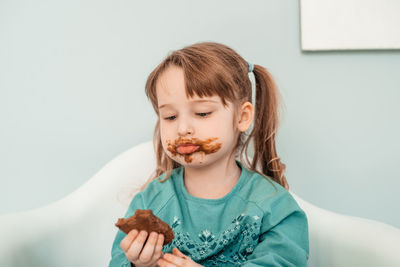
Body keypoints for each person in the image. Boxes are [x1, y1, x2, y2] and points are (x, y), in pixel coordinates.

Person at [109, 41, 309, 267]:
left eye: (202, 113)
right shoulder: (150, 201)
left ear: (242, 117)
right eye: (170, 117)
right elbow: (117, 262)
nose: (183, 128)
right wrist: (139, 264)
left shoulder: (274, 207)